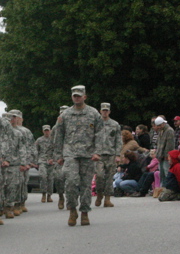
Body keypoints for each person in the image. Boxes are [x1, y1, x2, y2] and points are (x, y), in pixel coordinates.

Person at [54, 85, 104, 226]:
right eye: (74, 95)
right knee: (70, 182)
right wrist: (59, 154)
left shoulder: (93, 113)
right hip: (70, 154)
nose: (76, 97)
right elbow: (59, 136)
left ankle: (84, 212)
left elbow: (100, 134)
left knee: (85, 185)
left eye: (79, 95)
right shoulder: (65, 115)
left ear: (84, 97)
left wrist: (97, 152)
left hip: (88, 154)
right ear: (72, 97)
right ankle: (72, 210)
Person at [94, 103, 122, 208]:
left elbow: (118, 140)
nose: (105, 112)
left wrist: (118, 154)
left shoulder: (115, 124)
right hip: (99, 154)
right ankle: (99, 194)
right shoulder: (96, 123)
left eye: (107, 110)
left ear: (109, 112)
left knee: (110, 177)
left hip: (110, 153)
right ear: (100, 111)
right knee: (100, 176)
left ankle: (107, 199)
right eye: (103, 110)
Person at [36, 125, 55, 203]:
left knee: (50, 179)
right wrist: (35, 161)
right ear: (43, 131)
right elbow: (35, 151)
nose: (46, 132)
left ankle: (49, 195)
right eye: (45, 130)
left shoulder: (54, 139)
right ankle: (43, 193)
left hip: (51, 161)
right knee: (43, 176)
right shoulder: (39, 140)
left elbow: (57, 150)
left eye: (48, 130)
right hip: (42, 160)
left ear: (50, 130)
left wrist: (53, 159)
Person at [154, 116, 175, 183]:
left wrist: (167, 155)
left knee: (167, 173)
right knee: (162, 174)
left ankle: (168, 189)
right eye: (158, 126)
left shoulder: (169, 131)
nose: (159, 127)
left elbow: (170, 145)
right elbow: (159, 143)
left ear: (163, 123)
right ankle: (162, 189)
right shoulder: (161, 131)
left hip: (166, 156)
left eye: (160, 125)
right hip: (160, 156)